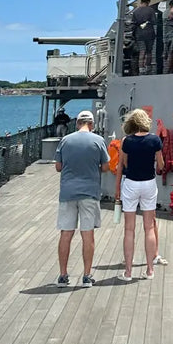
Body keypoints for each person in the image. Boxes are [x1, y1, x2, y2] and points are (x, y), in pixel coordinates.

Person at [54, 109, 110, 288]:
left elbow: (58, 166)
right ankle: (87, 276)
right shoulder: (99, 141)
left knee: (66, 234)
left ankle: (63, 275)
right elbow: (106, 167)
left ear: (77, 123)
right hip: (89, 193)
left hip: (68, 193)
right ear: (92, 124)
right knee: (88, 235)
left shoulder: (65, 140)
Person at [115, 108, 165, 281]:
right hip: (149, 184)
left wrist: (117, 191)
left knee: (129, 229)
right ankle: (150, 270)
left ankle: (128, 272)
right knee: (149, 227)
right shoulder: (155, 140)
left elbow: (124, 164)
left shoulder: (127, 141)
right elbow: (161, 164)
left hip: (131, 184)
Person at [131, 0, 157, 75]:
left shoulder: (135, 12)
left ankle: (141, 68)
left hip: (139, 34)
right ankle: (148, 68)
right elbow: (154, 21)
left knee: (142, 51)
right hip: (149, 33)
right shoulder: (151, 10)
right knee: (149, 52)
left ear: (141, 2)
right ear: (148, 2)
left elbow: (133, 24)